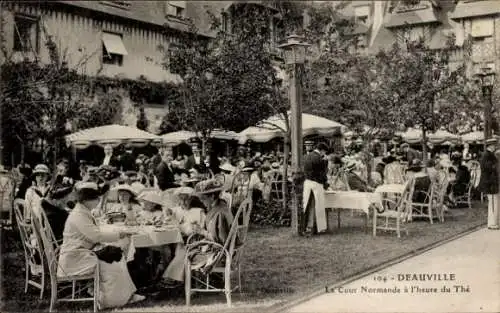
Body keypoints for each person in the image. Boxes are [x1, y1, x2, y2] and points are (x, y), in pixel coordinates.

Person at [57, 181, 144, 309]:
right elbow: (96, 236)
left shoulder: (82, 212)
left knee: (116, 257)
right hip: (75, 259)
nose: (98, 201)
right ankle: (109, 301)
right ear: (87, 200)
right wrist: (119, 234)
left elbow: (94, 233)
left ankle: (126, 295)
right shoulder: (78, 216)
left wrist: (117, 233)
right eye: (96, 198)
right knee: (113, 263)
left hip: (80, 253)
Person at [187, 179, 235, 274]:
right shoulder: (221, 207)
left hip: (222, 254)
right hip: (225, 250)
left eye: (203, 198)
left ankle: (191, 282)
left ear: (212, 197)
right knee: (188, 249)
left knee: (185, 254)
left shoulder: (219, 213)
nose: (201, 201)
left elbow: (220, 240)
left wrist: (201, 231)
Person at [25, 164, 69, 240]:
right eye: (38, 175)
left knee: (63, 215)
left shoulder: (51, 189)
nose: (41, 177)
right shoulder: (31, 191)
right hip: (37, 219)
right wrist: (28, 221)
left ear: (47, 177)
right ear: (35, 177)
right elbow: (27, 208)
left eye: (43, 175)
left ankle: (59, 239)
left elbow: (57, 203)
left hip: (50, 219)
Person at [302, 143, 329, 235]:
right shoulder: (320, 159)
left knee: (306, 204)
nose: (324, 154)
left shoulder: (306, 156)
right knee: (319, 205)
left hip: (307, 182)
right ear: (322, 150)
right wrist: (326, 184)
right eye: (324, 152)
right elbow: (323, 173)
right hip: (317, 183)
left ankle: (304, 227)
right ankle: (320, 228)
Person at [477, 138, 499, 229]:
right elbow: (489, 169)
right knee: (493, 202)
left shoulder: (489, 155)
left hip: (492, 182)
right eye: (495, 145)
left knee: (494, 202)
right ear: (491, 146)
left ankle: (494, 222)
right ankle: (492, 223)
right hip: (490, 183)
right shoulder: (487, 156)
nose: (496, 147)